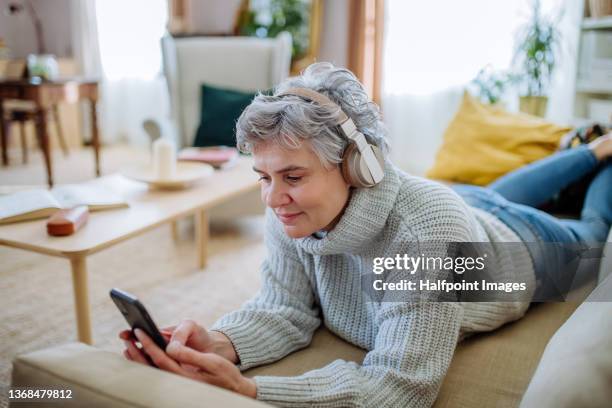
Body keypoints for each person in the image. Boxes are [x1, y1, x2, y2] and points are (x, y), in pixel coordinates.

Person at [120, 63, 612, 407]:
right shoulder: (286, 209)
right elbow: (284, 308)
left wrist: (253, 392)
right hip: (466, 197)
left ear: (359, 167)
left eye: (293, 177)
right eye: (264, 177)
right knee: (492, 189)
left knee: (591, 230)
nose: (271, 199)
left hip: (519, 248)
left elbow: (399, 387)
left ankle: (603, 151)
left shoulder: (424, 231)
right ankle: (590, 149)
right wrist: (220, 342)